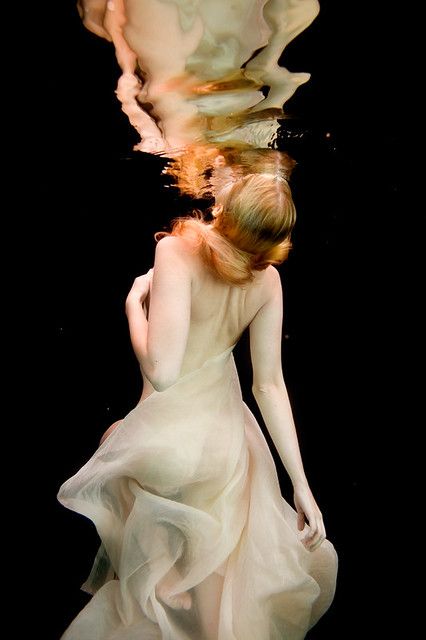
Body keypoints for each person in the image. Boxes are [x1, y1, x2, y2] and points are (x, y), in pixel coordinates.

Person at [58, 162, 338, 639]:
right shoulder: (267, 280)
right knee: (214, 586)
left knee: (117, 452)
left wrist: (133, 306)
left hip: (168, 444)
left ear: (227, 207)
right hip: (226, 452)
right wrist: (302, 486)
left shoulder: (175, 251)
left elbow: (163, 374)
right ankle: (178, 589)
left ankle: (165, 581)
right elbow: (268, 385)